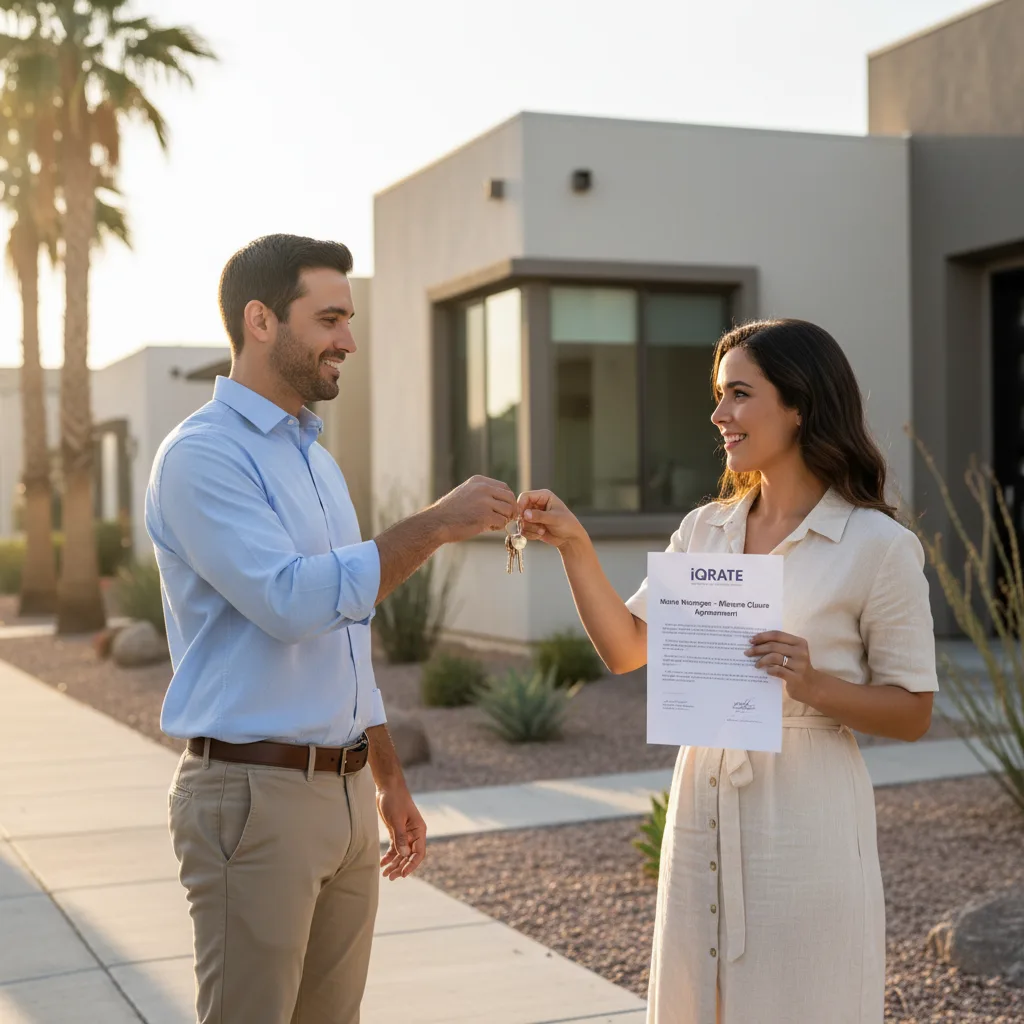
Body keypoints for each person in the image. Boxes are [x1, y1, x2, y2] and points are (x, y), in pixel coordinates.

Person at [516, 319, 937, 1024]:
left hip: (805, 812)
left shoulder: (878, 546)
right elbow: (627, 648)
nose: (718, 415)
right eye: (718, 395)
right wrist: (574, 545)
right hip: (701, 796)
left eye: (739, 394)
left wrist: (813, 684)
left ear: (800, 405)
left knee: (801, 1001)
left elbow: (914, 711)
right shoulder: (704, 528)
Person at [145, 233, 517, 1024]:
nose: (349, 339)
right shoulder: (200, 458)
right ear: (261, 322)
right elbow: (291, 602)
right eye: (331, 318)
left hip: (344, 796)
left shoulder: (315, 460)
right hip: (253, 798)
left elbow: (346, 638)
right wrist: (437, 524)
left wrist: (386, 776)